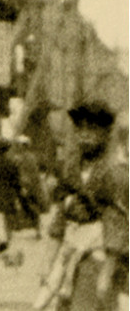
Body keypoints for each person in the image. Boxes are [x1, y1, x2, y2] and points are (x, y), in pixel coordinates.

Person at [35, 100, 128, 311]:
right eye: (80, 128)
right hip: (71, 248)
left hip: (99, 253)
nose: (85, 134)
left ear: (106, 133)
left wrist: (107, 271)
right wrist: (48, 260)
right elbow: (61, 217)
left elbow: (117, 222)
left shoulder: (113, 173)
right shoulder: (71, 168)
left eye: (92, 128)